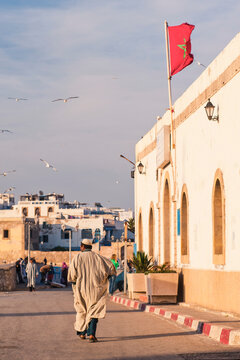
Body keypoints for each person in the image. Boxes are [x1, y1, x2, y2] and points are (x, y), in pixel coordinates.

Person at [68, 239, 116, 342]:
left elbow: (72, 276)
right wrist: (109, 285)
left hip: (81, 289)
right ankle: (91, 334)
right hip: (96, 290)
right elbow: (111, 268)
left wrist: (75, 287)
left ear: (82, 247)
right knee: (94, 311)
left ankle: (82, 333)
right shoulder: (99, 258)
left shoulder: (77, 258)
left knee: (81, 310)